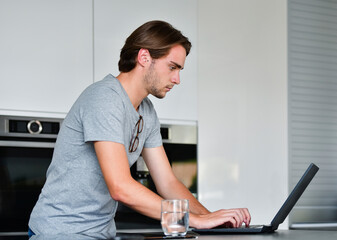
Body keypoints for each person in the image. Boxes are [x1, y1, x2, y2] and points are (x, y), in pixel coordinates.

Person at [28, 20, 251, 237]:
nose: (177, 79)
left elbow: (168, 182)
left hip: (100, 234)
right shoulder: (104, 98)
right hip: (60, 232)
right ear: (144, 57)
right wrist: (196, 220)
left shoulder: (147, 112)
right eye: (172, 67)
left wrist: (214, 220)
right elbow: (120, 187)